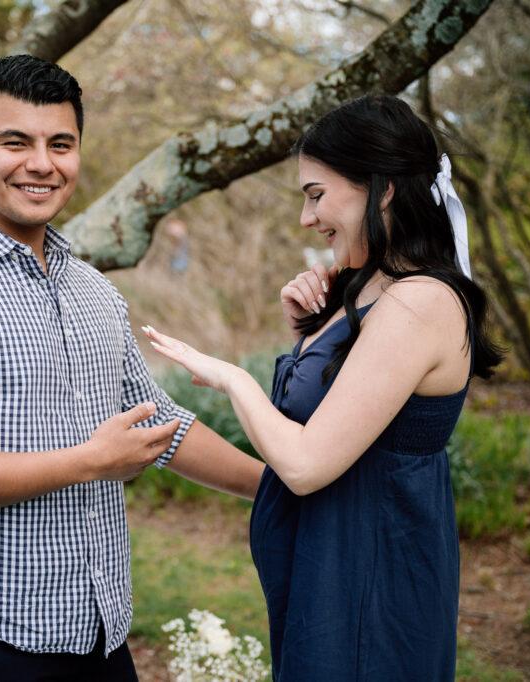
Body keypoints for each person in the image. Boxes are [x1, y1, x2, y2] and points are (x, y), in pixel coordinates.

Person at [0, 54, 264, 681]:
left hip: (97, 629)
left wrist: (280, 490)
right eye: (15, 142)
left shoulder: (92, 290)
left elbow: (160, 427)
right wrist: (91, 462)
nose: (42, 164)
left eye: (61, 144)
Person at [144, 93, 503, 680]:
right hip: (324, 568)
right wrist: (307, 331)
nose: (307, 219)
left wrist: (233, 378)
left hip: (368, 583)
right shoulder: (368, 287)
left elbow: (307, 463)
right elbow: (330, 414)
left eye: (316, 195)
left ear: (381, 188)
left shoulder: (421, 301)